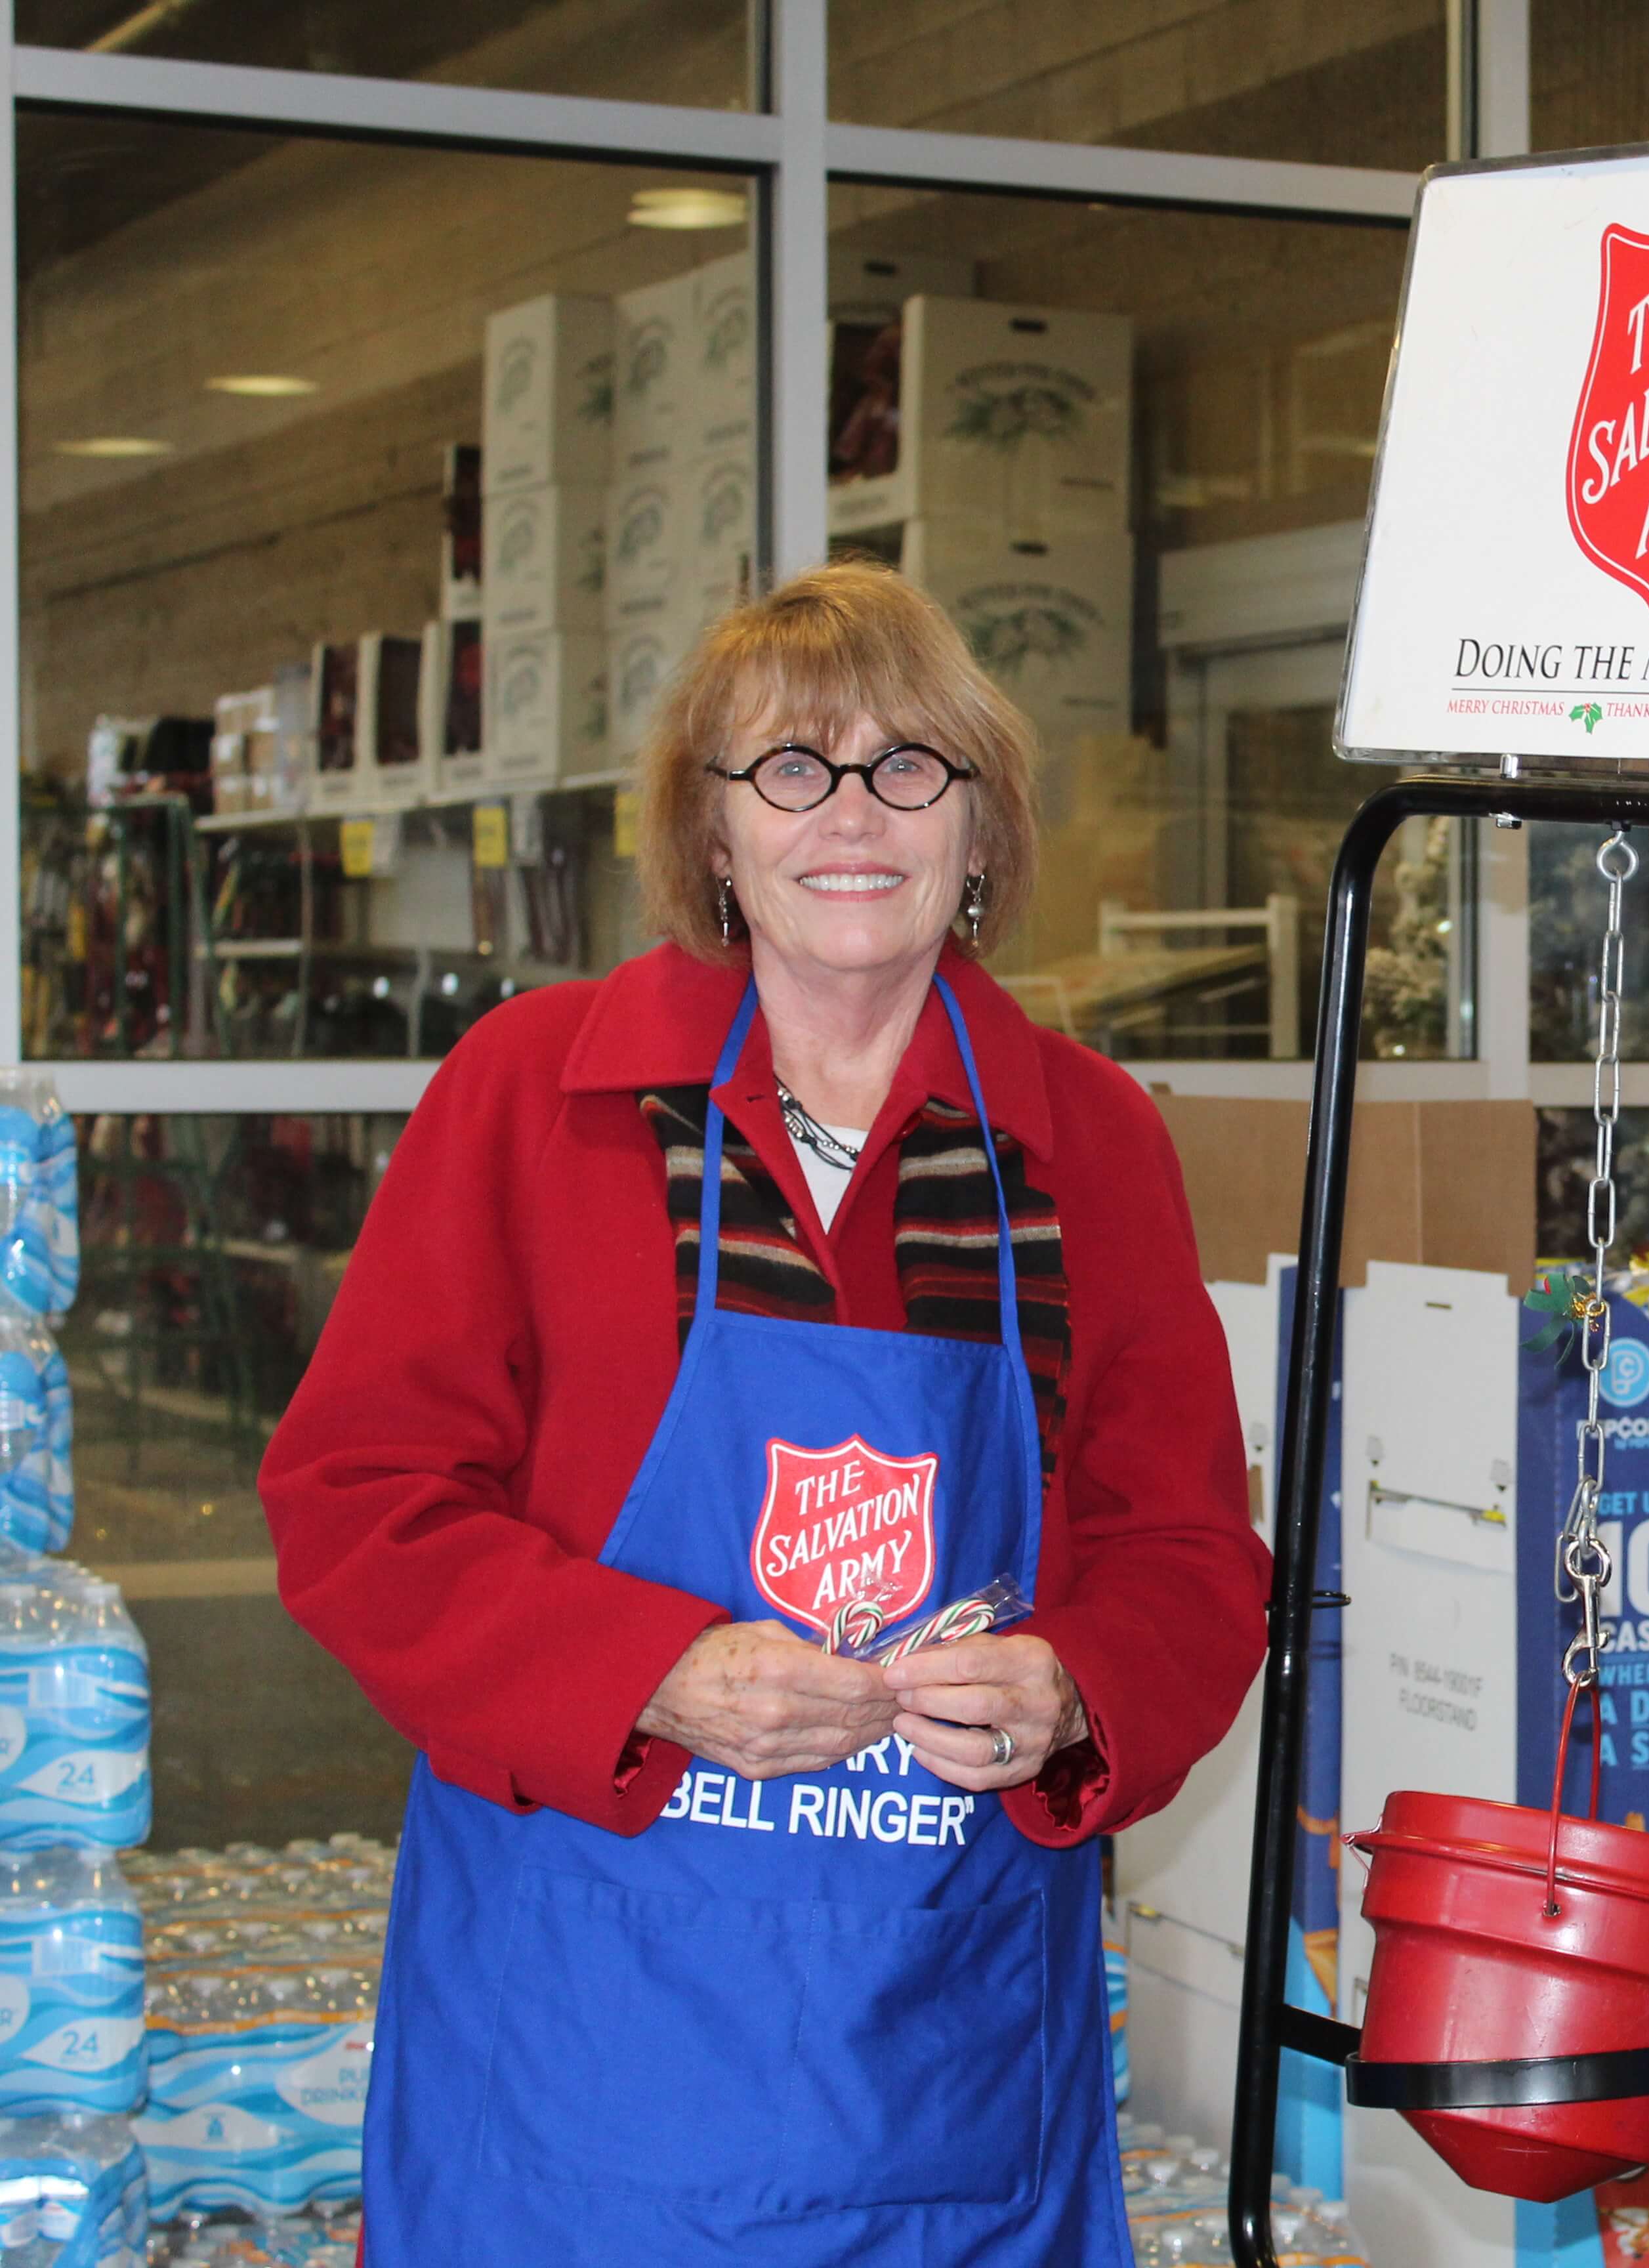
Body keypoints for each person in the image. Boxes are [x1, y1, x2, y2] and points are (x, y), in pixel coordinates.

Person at [261, 560, 1270, 2266]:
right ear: (713, 836)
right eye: (790, 771)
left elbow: (1188, 1551)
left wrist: (1073, 1686)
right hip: (580, 2064)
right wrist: (642, 1671)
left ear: (980, 830)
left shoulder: (1086, 1140)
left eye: (909, 768)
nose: (852, 817)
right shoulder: (536, 1095)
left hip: (941, 2071)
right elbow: (361, 1500)